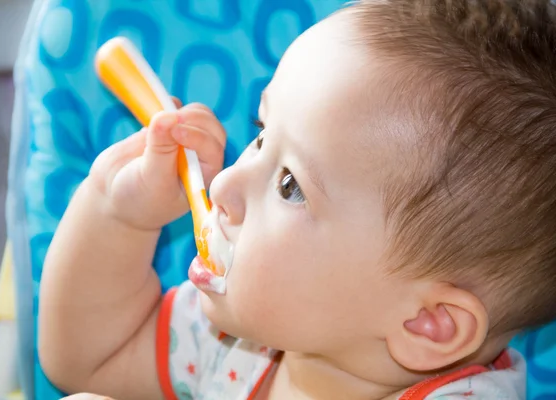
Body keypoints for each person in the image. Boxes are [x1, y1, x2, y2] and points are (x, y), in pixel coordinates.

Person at [39, 1, 556, 398]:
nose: (222, 185)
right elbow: (88, 360)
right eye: (261, 134)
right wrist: (119, 212)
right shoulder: (253, 339)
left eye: (290, 186)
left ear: (427, 324)